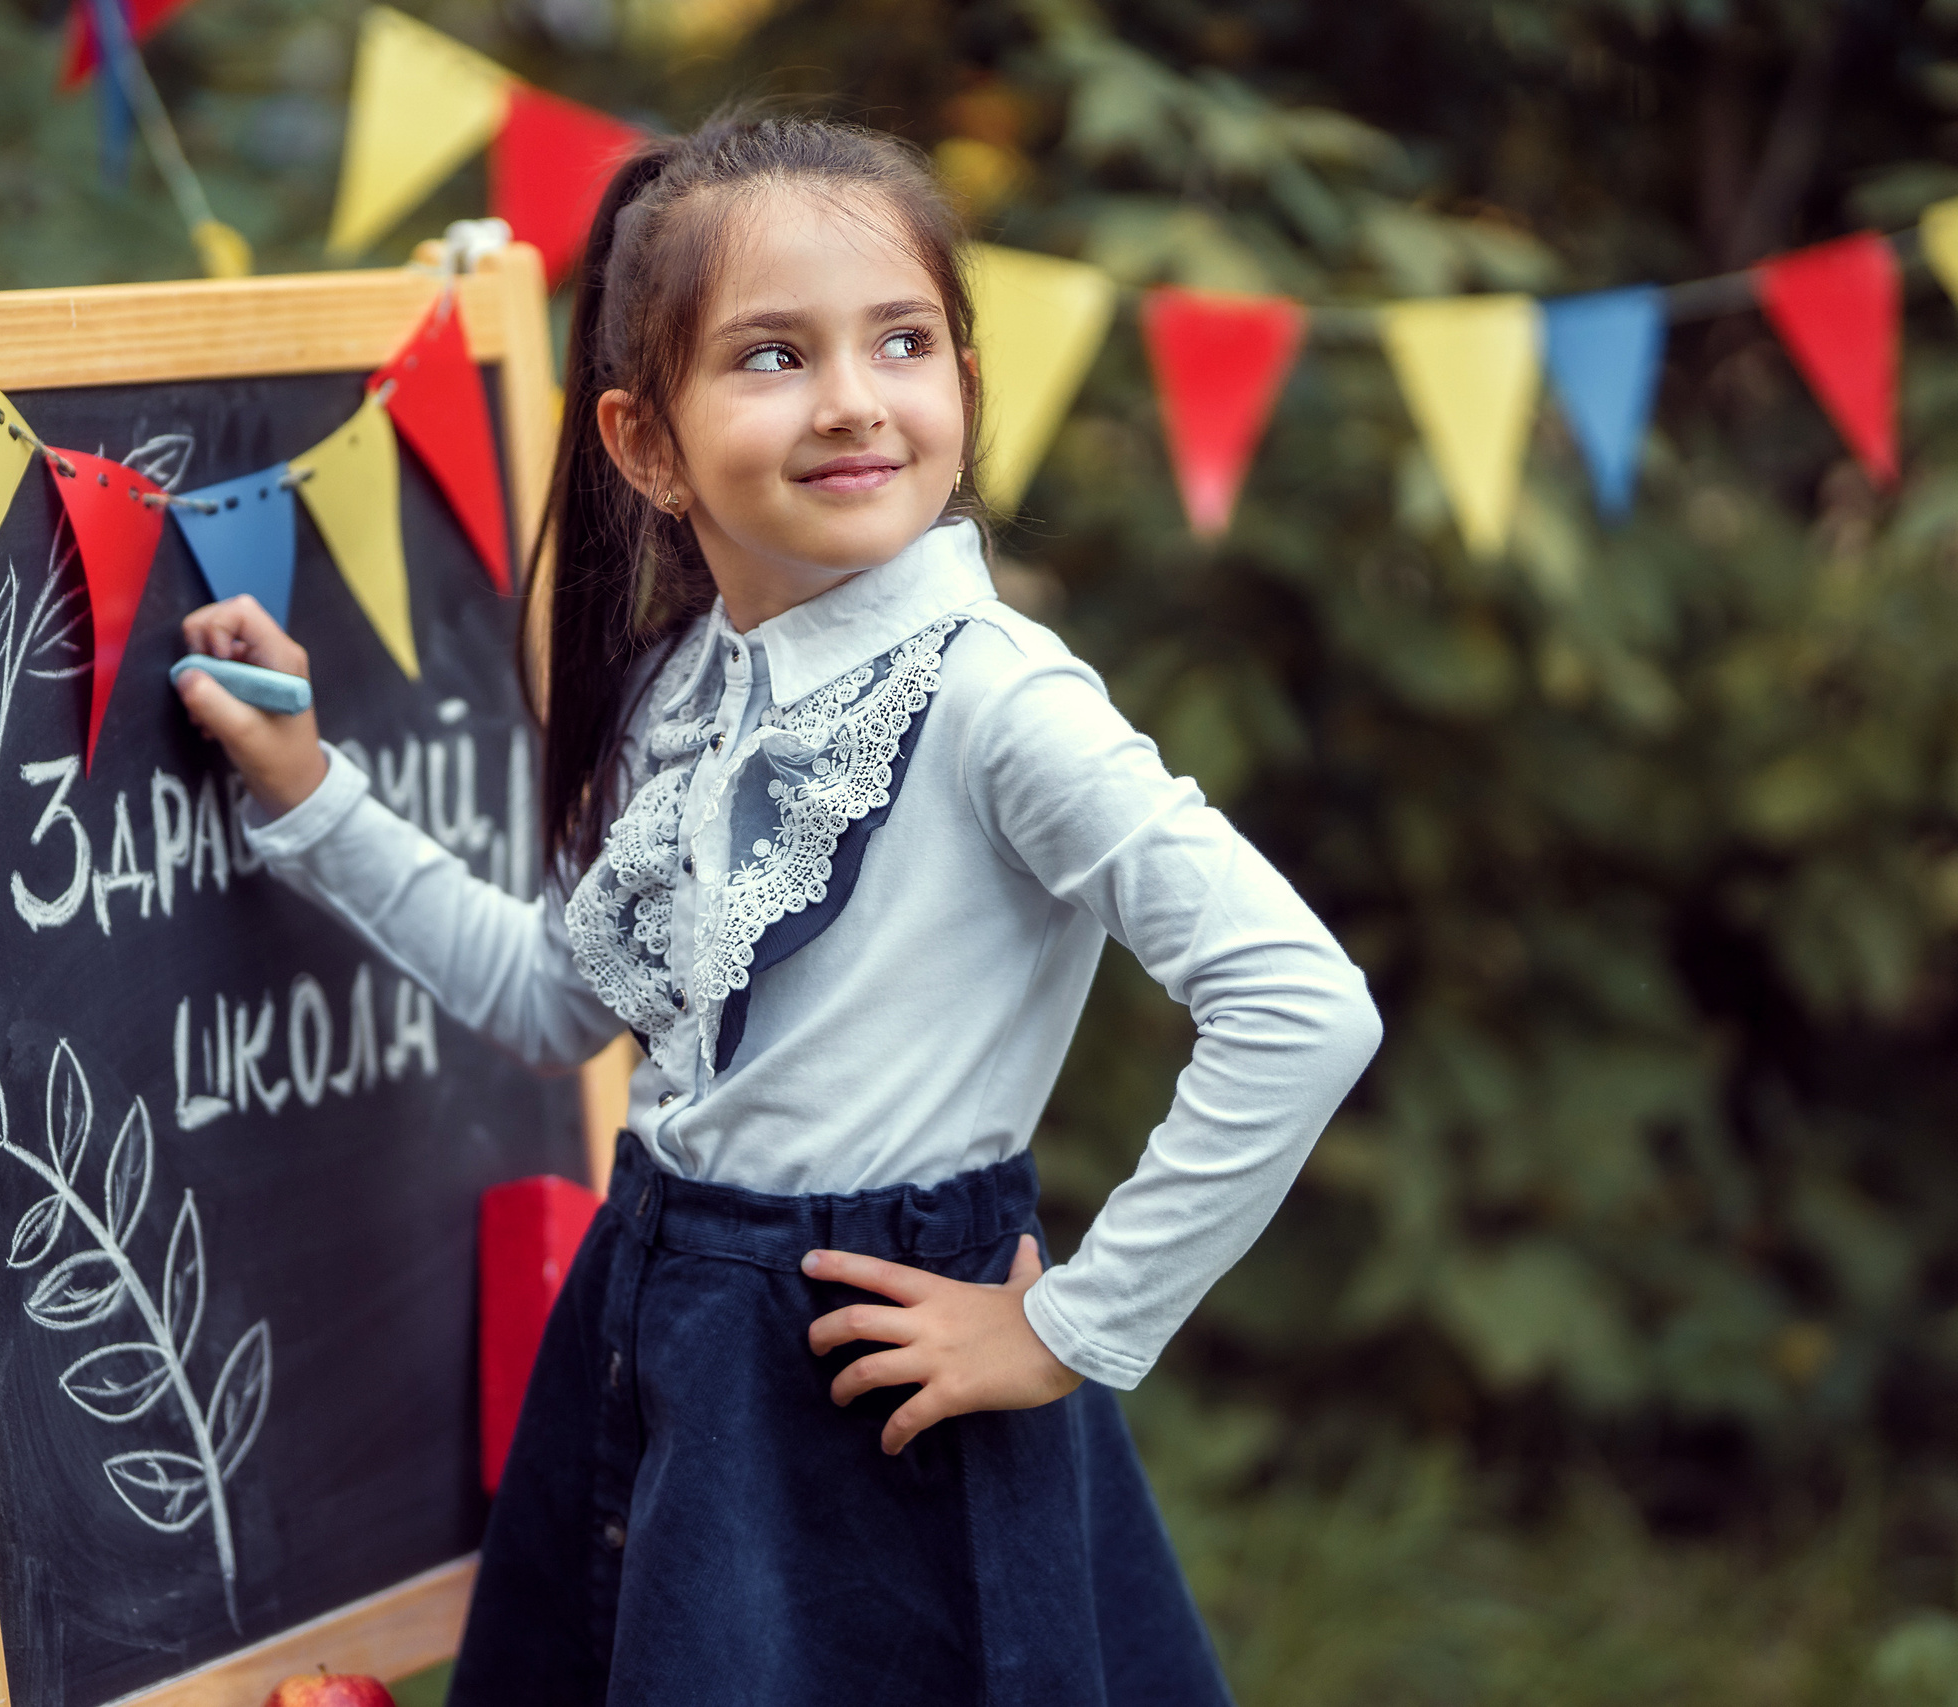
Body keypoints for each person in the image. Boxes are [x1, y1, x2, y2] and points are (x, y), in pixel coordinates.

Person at [176, 112, 1381, 1707]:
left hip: (866, 1377)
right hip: (666, 1319)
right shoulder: (695, 687)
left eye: (903, 341)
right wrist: (307, 790)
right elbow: (555, 1002)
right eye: (772, 356)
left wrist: (1076, 1330)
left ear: (962, 375)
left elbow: (1302, 1004)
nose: (854, 401)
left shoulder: (996, 701)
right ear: (644, 444)